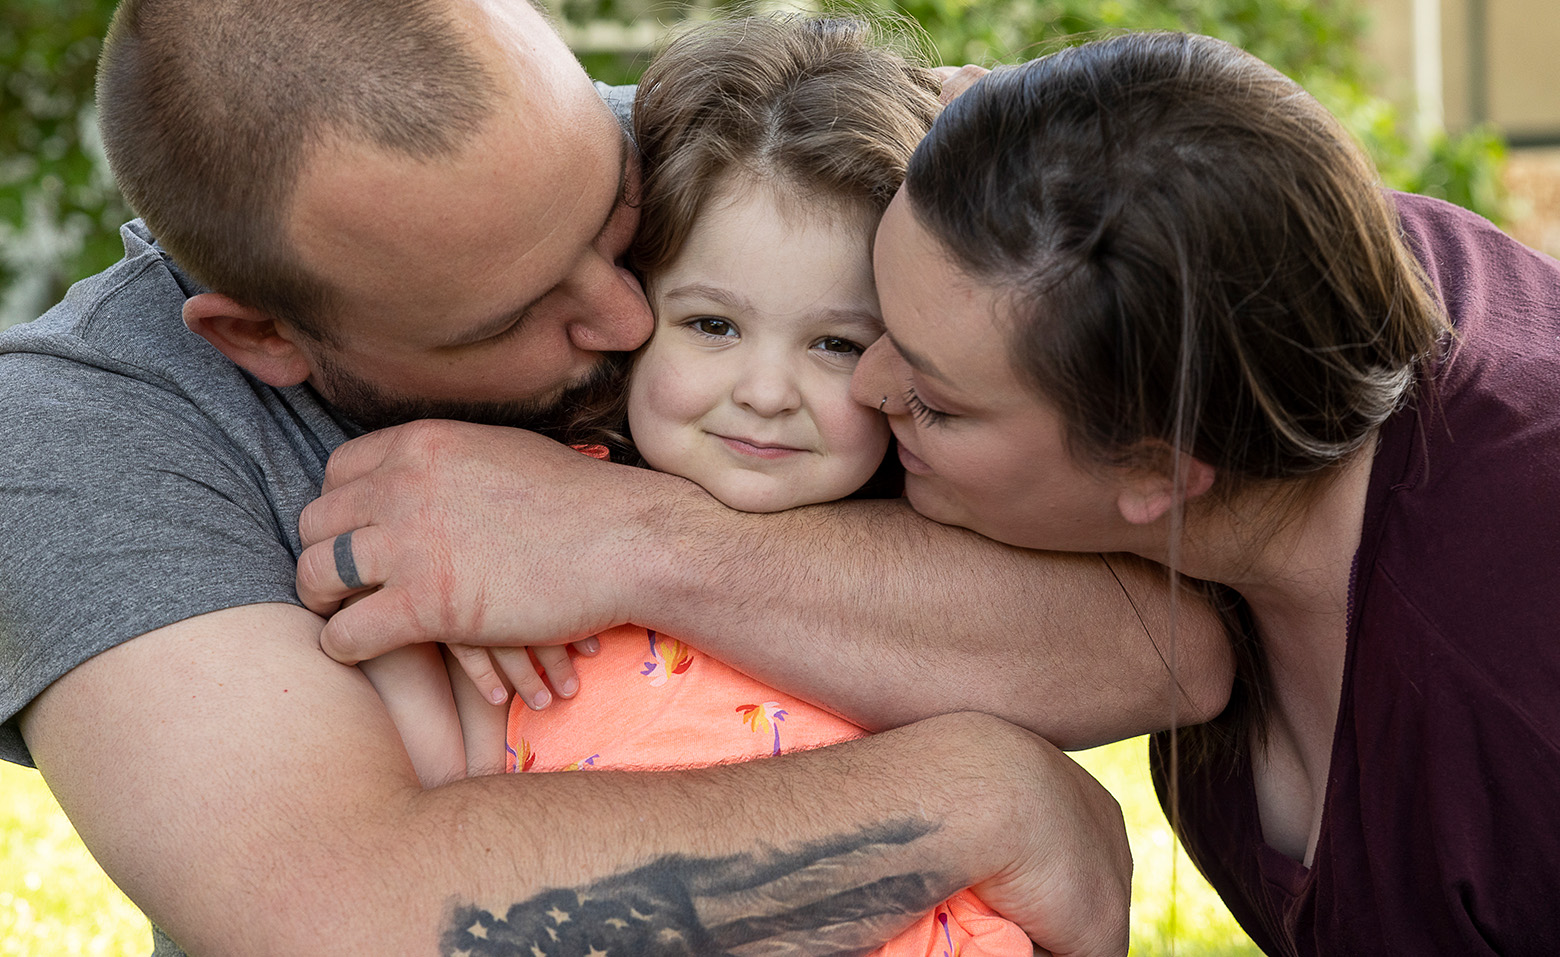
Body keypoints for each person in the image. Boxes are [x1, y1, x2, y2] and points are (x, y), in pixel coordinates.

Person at [0, 3, 1233, 955]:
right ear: (260, 336)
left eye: (611, 214)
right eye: (519, 312)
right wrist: (975, 796)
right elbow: (337, 912)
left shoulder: (724, 164)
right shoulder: (85, 432)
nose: (626, 307)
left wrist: (629, 539)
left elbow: (1164, 635)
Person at [848, 31, 1560, 954]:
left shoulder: (1515, 715)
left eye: (932, 401)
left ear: (1157, 469)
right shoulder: (1243, 261)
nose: (864, 387)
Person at [368, 17, 1031, 955]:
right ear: (630, 315)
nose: (765, 393)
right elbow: (448, 789)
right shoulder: (528, 542)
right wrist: (413, 606)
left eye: (836, 344)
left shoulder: (942, 560)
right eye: (713, 325)